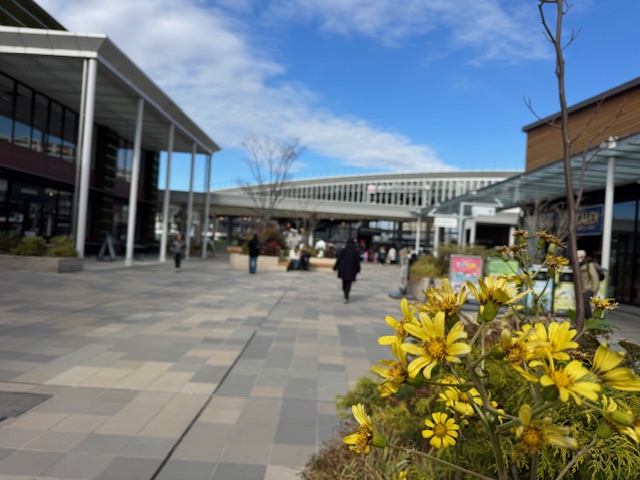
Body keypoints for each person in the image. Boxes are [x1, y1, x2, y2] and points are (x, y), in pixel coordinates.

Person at [333, 238, 361, 303]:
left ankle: (345, 294)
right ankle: (346, 295)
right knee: (349, 282)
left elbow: (339, 259)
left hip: (343, 268)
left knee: (344, 281)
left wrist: (335, 267)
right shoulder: (356, 251)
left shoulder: (343, 250)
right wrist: (358, 269)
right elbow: (357, 261)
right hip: (352, 268)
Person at [577, 249, 599, 318]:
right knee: (582, 304)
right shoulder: (580, 264)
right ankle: (584, 318)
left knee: (585, 303)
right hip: (582, 289)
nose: (578, 259)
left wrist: (594, 289)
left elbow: (595, 277)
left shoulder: (589, 265)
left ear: (583, 256)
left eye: (580, 257)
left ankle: (589, 318)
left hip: (588, 288)